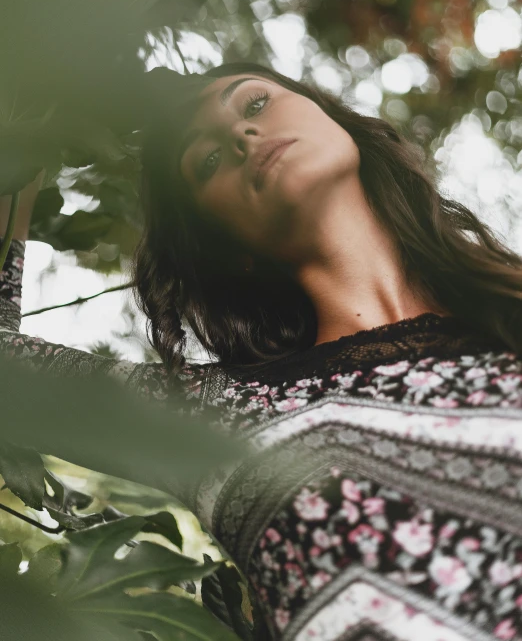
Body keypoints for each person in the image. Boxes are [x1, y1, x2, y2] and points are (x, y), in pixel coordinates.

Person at [1, 60, 522, 641]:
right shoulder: (211, 418)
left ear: (337, 121)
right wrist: (31, 131)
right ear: (229, 248)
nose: (239, 134)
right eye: (208, 161)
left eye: (253, 104)